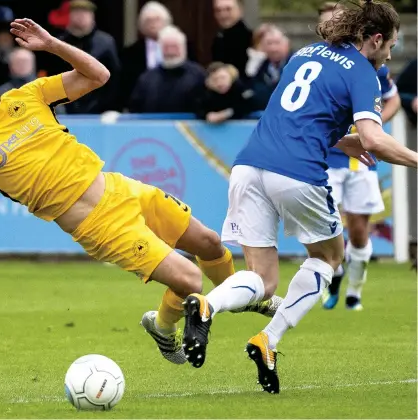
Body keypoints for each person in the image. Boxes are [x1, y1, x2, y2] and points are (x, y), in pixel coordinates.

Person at [0, 18, 281, 366]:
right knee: (190, 279)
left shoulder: (26, 95)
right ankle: (163, 326)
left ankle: (245, 297)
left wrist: (50, 44)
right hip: (99, 225)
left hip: (121, 188)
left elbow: (98, 76)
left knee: (209, 242)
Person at [179, 0, 417, 394]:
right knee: (328, 258)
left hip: (248, 166)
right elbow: (376, 139)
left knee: (263, 280)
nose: (390, 52)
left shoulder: (305, 53)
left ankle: (208, 306)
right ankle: (268, 338)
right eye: (390, 44)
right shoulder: (363, 73)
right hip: (297, 173)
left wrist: (342, 141)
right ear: (375, 39)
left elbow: (297, 116)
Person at [319, 2, 402, 311]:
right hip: (325, 158)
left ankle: (354, 290)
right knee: (324, 227)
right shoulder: (317, 59)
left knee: (357, 231)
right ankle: (334, 274)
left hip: (359, 158)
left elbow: (392, 100)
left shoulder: (372, 66)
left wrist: (374, 123)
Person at [128, 26, 205, 114]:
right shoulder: (146, 78)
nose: (170, 52)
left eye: (174, 47)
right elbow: (135, 109)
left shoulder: (198, 75)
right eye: (166, 47)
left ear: (183, 48)